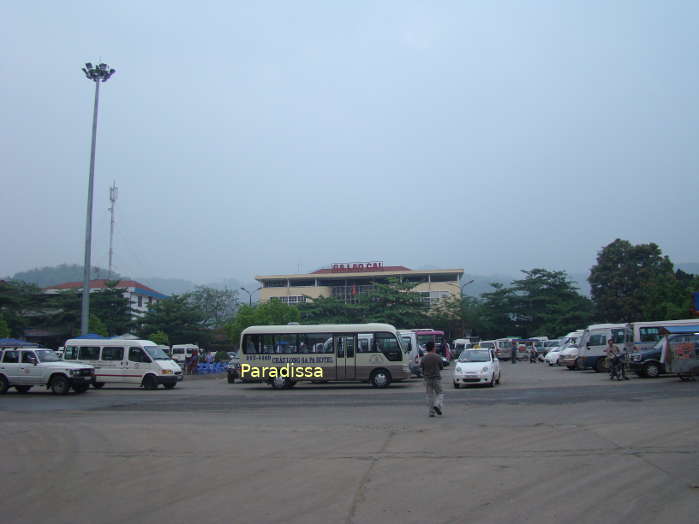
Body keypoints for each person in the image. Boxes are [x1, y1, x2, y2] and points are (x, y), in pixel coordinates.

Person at [420, 341, 444, 417]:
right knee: (440, 393)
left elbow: (422, 369)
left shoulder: (424, 358)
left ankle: (431, 412)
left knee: (430, 395)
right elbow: (441, 367)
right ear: (433, 348)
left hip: (427, 379)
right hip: (436, 378)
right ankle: (437, 405)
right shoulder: (437, 357)